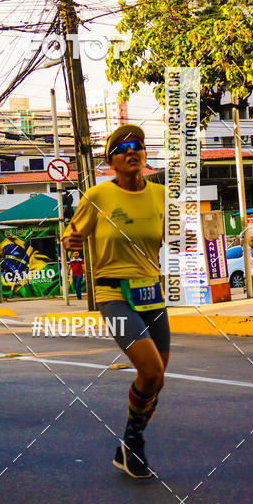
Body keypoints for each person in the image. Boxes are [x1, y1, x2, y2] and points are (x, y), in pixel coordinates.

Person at [62, 125, 168, 480]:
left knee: (157, 379)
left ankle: (127, 444)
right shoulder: (97, 196)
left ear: (144, 155)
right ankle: (133, 442)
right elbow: (70, 234)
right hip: (113, 294)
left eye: (137, 145)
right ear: (110, 161)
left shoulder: (161, 195)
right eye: (122, 147)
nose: (131, 151)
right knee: (150, 370)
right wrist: (71, 241)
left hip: (151, 293)